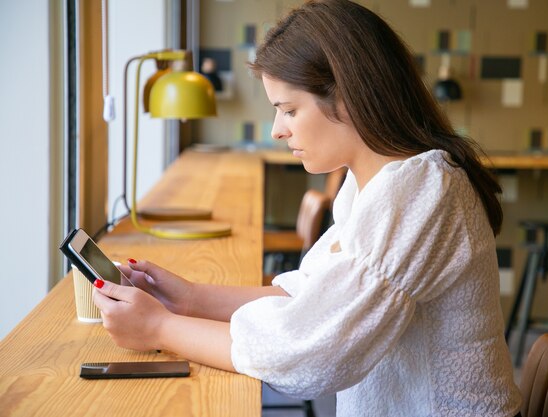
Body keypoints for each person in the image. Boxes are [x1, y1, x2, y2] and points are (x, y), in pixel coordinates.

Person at [93, 1, 522, 415]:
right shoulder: (373, 182)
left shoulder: (424, 191)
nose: (278, 130)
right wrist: (189, 299)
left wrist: (160, 328)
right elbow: (312, 295)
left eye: (289, 110)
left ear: (349, 96)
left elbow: (312, 354)